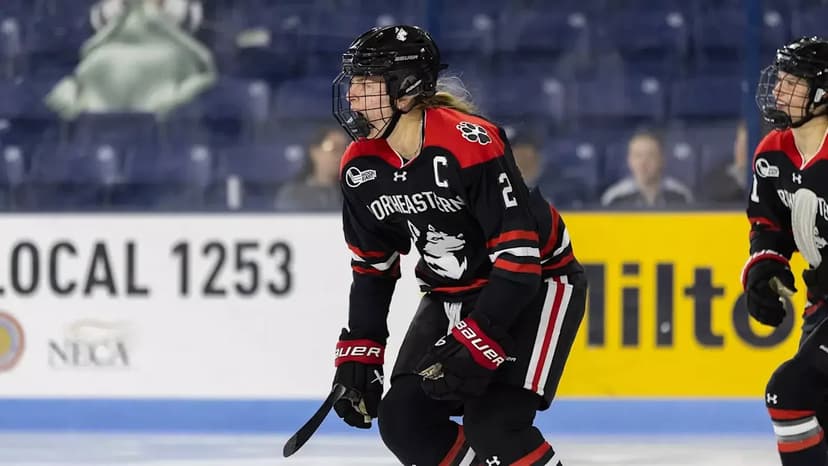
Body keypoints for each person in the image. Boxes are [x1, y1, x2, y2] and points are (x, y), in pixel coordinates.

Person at [329, 25, 587, 465]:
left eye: (367, 82)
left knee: (495, 427)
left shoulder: (468, 142)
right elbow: (373, 267)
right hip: (453, 291)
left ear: (406, 89)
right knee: (405, 421)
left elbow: (520, 261)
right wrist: (362, 350)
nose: (352, 96)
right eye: (353, 81)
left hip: (539, 283)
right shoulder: (360, 166)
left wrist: (479, 337)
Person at [741, 36, 828, 466]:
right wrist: (765, 269)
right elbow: (768, 226)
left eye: (793, 82)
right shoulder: (772, 153)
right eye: (781, 80)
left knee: (789, 393)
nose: (779, 90)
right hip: (822, 302)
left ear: (823, 93)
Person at [45, 0, 216, 120]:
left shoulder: (183, 48)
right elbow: (73, 59)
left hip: (167, 115)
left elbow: (208, 66)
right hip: (97, 118)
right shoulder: (99, 46)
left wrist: (164, 22)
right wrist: (71, 86)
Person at [600, 129, 693, 208]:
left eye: (650, 155)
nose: (643, 162)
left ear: (662, 159)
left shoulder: (681, 196)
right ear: (629, 160)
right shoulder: (614, 197)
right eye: (638, 155)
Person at [274, 126, 347, 212]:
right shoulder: (292, 193)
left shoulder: (351, 192)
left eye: (345, 150)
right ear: (314, 151)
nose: (340, 155)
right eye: (334, 149)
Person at [701, 121, 749, 204]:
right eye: (739, 143)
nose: (741, 150)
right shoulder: (716, 178)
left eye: (747, 145)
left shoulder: (766, 177)